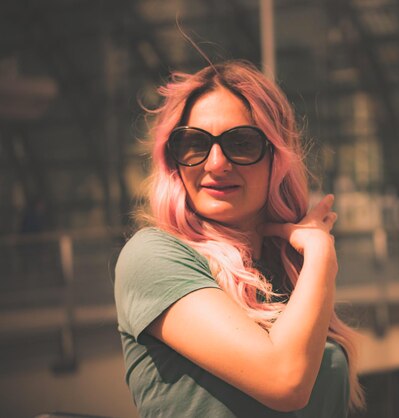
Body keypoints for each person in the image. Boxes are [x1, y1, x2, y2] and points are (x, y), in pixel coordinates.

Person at [114, 60, 365, 417]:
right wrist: (322, 255)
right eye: (194, 143)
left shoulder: (289, 274)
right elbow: (286, 381)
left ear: (277, 158)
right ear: (174, 159)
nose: (215, 163)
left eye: (241, 143)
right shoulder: (153, 257)